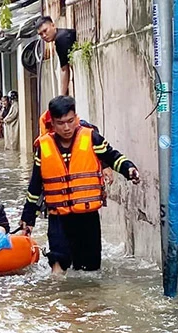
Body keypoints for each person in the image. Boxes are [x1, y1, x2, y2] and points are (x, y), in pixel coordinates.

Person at [20, 96, 140, 274]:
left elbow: (112, 157)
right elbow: (35, 186)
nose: (66, 128)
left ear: (76, 117)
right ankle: (58, 297)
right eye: (61, 123)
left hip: (87, 216)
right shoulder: (44, 147)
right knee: (58, 261)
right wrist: (28, 219)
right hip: (58, 217)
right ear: (52, 122)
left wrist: (129, 169)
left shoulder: (91, 138)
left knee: (89, 270)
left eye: (70, 121)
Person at [35, 16, 77, 96]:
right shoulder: (62, 35)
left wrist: (61, 96)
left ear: (53, 25)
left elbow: (65, 69)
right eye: (41, 34)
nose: (44, 35)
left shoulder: (61, 39)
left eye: (45, 31)